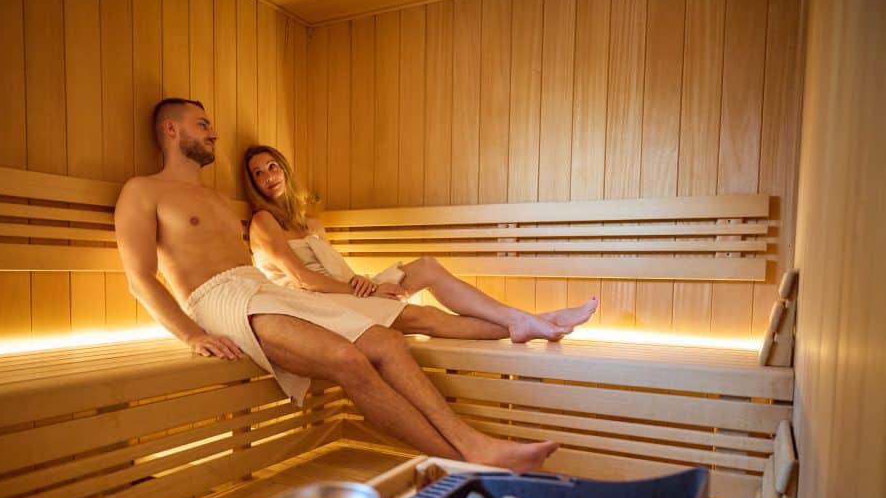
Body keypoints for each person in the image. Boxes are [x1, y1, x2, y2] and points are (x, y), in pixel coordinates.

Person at [114, 97, 558, 471]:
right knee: (348, 359)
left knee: (387, 342)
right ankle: (462, 463)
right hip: (218, 300)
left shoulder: (216, 200)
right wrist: (191, 335)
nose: (213, 133)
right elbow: (140, 278)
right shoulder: (143, 190)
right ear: (171, 129)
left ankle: (473, 443)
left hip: (260, 290)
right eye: (202, 124)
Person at [243, 144, 598, 343]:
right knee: (426, 317)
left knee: (427, 266)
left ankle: (527, 321)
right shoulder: (263, 221)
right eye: (258, 173)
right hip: (315, 306)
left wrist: (363, 283)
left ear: (285, 169)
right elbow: (303, 279)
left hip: (346, 292)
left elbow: (336, 272)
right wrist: (363, 291)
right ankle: (537, 321)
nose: (267, 177)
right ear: (253, 184)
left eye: (272, 167)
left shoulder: (310, 223)